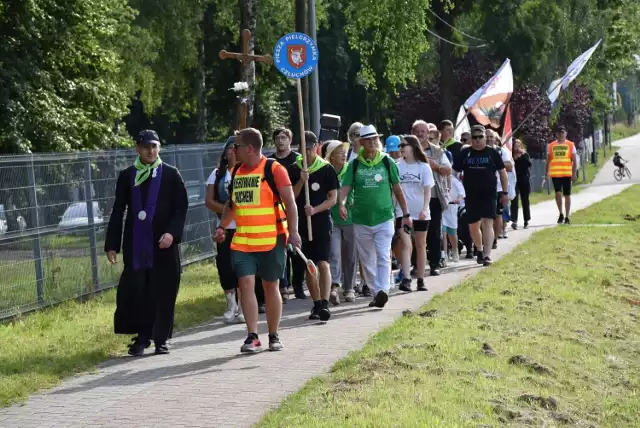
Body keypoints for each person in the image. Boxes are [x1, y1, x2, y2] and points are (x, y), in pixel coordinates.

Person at [214, 128, 301, 353]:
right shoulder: (236, 173)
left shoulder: (274, 169)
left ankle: (273, 334)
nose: (233, 150)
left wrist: (294, 232)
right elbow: (233, 205)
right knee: (245, 285)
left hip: (271, 240)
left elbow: (290, 203)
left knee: (271, 286)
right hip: (243, 241)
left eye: (237, 146)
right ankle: (252, 336)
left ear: (250, 148)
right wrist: (222, 226)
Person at [106, 130, 189, 356]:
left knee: (164, 290)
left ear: (159, 148)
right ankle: (142, 337)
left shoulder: (171, 175)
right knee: (138, 290)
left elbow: (181, 207)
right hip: (137, 244)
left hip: (164, 244)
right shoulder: (127, 176)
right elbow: (118, 211)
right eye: (146, 147)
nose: (150, 151)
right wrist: (112, 244)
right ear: (137, 148)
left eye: (154, 147)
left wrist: (172, 233)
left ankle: (161, 338)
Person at [339, 125, 411, 308]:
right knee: (367, 258)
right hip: (361, 219)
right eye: (368, 139)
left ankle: (383, 290)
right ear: (361, 142)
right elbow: (346, 187)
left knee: (383, 255)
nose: (372, 142)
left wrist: (405, 213)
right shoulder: (354, 164)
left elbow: (397, 188)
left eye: (375, 139)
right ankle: (375, 292)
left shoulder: (387, 162)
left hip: (384, 216)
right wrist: (341, 203)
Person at [288, 131, 339, 321]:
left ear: (315, 147)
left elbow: (333, 199)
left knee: (323, 262)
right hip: (301, 224)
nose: (307, 153)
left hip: (321, 222)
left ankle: (325, 302)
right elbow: (291, 196)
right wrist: (302, 180)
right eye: (304, 150)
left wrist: (315, 209)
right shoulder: (294, 169)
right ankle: (316, 303)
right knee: (309, 264)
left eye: (310, 149)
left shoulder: (326, 169)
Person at [453, 125, 508, 266]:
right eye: (474, 137)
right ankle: (479, 248)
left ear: (485, 137)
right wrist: (454, 190)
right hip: (470, 194)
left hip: (489, 192)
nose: (477, 140)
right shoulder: (465, 154)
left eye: (480, 137)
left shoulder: (492, 152)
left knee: (487, 223)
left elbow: (502, 172)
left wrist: (505, 192)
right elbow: (454, 173)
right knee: (473, 226)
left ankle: (487, 255)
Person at [205, 137, 244, 324]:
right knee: (225, 266)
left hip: (245, 227)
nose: (233, 152)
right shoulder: (217, 174)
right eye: (230, 148)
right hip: (224, 228)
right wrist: (229, 210)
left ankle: (245, 305)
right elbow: (209, 201)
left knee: (243, 267)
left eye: (236, 148)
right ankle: (231, 304)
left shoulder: (247, 173)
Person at [393, 135, 433, 292]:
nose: (401, 147)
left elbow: (427, 190)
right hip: (402, 212)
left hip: (421, 212)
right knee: (405, 243)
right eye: (400, 145)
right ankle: (407, 278)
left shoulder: (424, 167)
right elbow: (394, 190)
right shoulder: (397, 166)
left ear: (414, 147)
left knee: (421, 245)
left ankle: (421, 279)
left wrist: (425, 208)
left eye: (404, 145)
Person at [411, 120, 451, 276]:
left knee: (434, 231)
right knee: (414, 233)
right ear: (412, 133)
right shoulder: (408, 150)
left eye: (423, 131)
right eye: (417, 131)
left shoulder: (438, 151)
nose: (421, 134)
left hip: (433, 197)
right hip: (413, 198)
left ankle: (434, 263)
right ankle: (416, 264)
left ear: (429, 133)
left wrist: (436, 166)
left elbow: (447, 170)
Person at [323, 140, 358, 304]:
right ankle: (334, 287)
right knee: (334, 254)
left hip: (351, 218)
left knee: (350, 255)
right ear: (331, 157)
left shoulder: (350, 169)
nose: (344, 154)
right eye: (339, 152)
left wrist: (346, 203)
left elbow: (353, 190)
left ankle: (349, 288)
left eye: (344, 151)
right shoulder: (326, 172)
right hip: (332, 219)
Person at [270, 127, 301, 301]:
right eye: (278, 138)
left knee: (295, 249)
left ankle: (298, 285)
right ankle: (283, 286)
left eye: (284, 137)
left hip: (294, 209)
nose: (280, 141)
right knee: (281, 249)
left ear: (290, 140)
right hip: (275, 211)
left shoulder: (297, 160)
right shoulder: (270, 162)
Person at [486, 130, 513, 248]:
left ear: (495, 138)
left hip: (498, 188)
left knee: (497, 216)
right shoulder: (478, 151)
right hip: (483, 188)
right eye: (487, 137)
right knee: (485, 217)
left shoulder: (501, 151)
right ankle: (486, 239)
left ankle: (494, 239)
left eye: (491, 137)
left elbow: (509, 166)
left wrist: (496, 160)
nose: (489, 139)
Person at [545, 125, 577, 224]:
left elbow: (574, 161)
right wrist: (546, 173)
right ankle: (561, 213)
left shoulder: (570, 145)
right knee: (558, 193)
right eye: (559, 133)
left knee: (567, 195)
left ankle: (567, 216)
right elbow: (548, 160)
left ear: (565, 133)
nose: (561, 134)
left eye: (563, 132)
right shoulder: (551, 145)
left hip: (567, 174)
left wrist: (574, 173)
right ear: (556, 134)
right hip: (555, 174)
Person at [442, 174, 465, 263]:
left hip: (451, 209)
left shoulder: (454, 180)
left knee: (452, 234)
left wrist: (458, 199)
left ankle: (454, 250)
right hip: (442, 209)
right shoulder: (438, 178)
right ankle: (445, 254)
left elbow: (461, 192)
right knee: (443, 232)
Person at [511, 139, 531, 229]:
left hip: (524, 179)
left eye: (519, 145)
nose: (517, 147)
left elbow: (529, 164)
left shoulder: (525, 155)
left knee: (525, 200)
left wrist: (522, 155)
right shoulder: (511, 155)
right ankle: (514, 221)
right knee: (514, 201)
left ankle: (526, 220)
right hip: (514, 180)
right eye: (515, 145)